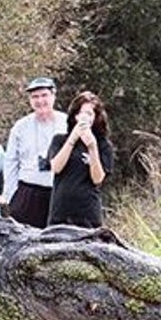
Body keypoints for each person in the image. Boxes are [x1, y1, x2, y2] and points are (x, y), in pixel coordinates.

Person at [2, 77, 67, 228]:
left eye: (44, 95)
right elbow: (11, 162)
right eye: (35, 97)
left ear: (53, 95)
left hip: (59, 192)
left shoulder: (66, 123)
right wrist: (12, 195)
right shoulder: (20, 127)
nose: (40, 101)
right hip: (28, 192)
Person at [46, 91, 115, 228]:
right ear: (75, 116)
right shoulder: (59, 140)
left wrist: (92, 147)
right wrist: (72, 139)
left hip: (88, 213)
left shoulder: (103, 144)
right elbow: (56, 167)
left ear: (96, 118)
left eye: (89, 114)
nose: (85, 118)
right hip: (60, 212)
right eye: (81, 113)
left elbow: (98, 179)